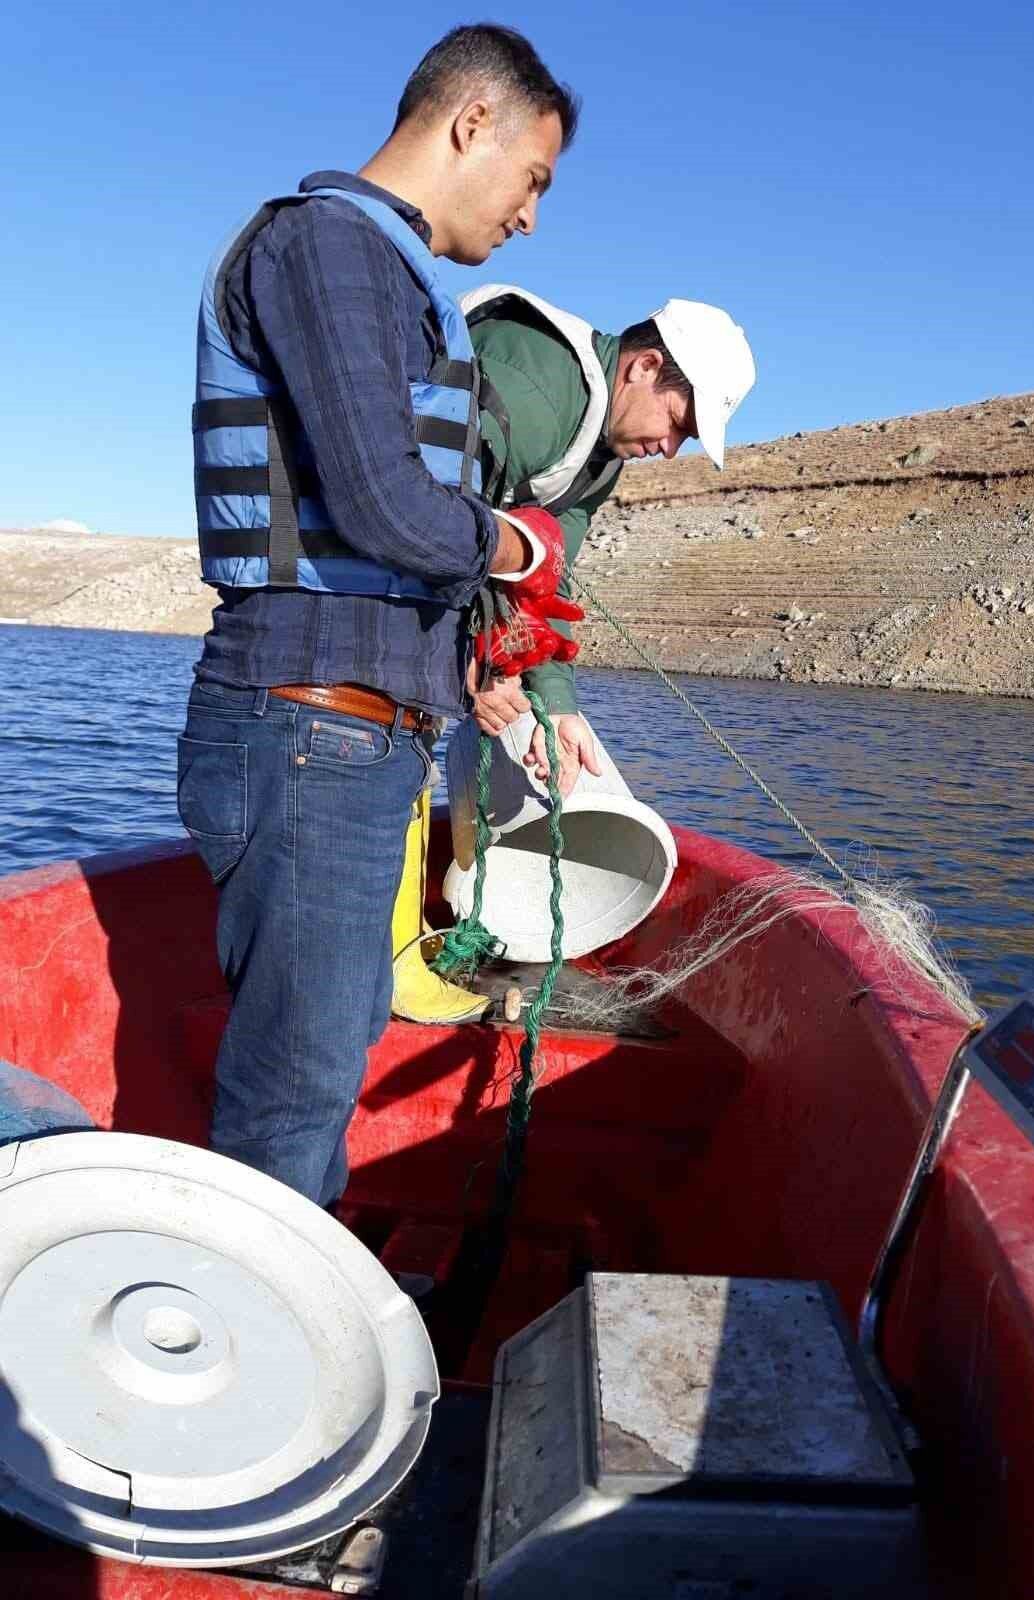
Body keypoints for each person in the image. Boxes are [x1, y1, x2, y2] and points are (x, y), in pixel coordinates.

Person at [177, 24, 581, 1207]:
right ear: (470, 127)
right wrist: (518, 543)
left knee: (323, 1059)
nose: (528, 216)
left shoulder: (385, 273)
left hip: (350, 740)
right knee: (293, 1097)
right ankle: (257, 1374)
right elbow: (384, 504)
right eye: (532, 179)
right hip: (308, 729)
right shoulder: (323, 249)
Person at [391, 288, 756, 1023]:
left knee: (410, 745)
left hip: (420, 619)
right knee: (392, 745)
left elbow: (539, 587)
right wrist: (468, 665)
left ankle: (397, 949)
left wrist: (557, 707)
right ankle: (390, 962)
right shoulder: (535, 387)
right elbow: (427, 518)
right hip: (372, 607)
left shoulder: (596, 460)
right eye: (678, 422)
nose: (671, 446)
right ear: (645, 367)